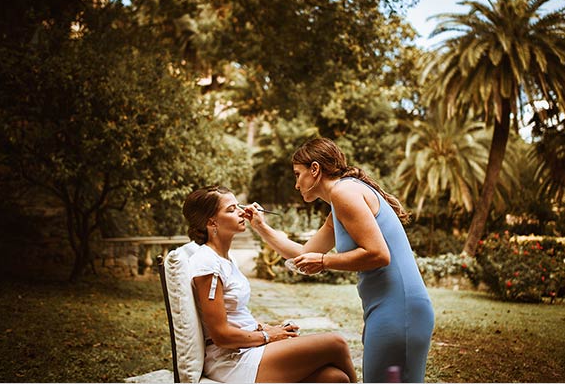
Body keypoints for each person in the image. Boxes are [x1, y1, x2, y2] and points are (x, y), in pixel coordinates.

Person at [244, 137, 434, 383]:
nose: (296, 184)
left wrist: (324, 261)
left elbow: (379, 254)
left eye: (298, 174)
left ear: (315, 169)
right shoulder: (339, 202)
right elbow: (303, 252)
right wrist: (261, 227)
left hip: (400, 309)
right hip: (387, 309)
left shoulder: (344, 193)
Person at [182, 185, 357, 383]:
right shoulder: (207, 263)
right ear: (212, 222)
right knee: (336, 343)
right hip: (231, 359)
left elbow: (234, 315)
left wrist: (266, 327)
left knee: (335, 378)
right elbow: (221, 336)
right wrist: (268, 335)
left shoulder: (225, 258)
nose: (242, 212)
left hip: (248, 347)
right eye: (231, 210)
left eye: (238, 205)